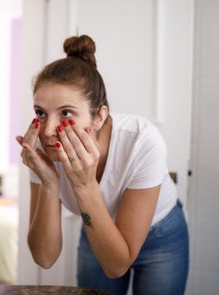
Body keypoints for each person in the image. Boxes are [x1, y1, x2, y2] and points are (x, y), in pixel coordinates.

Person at [16, 34, 189, 295]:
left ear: (99, 117)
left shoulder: (142, 141)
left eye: (66, 113)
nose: (48, 130)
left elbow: (118, 265)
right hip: (96, 226)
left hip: (161, 235)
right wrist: (50, 183)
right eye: (41, 113)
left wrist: (84, 185)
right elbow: (44, 257)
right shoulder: (42, 150)